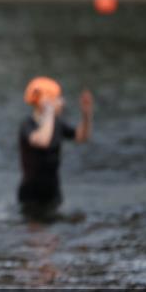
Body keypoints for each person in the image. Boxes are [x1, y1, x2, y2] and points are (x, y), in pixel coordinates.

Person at [17, 77, 93, 217]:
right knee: (34, 236)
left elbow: (82, 137)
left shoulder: (57, 123)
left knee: (54, 236)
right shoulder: (27, 125)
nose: (62, 102)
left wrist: (86, 114)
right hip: (32, 194)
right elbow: (42, 140)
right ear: (45, 103)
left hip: (53, 190)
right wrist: (49, 112)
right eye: (58, 98)